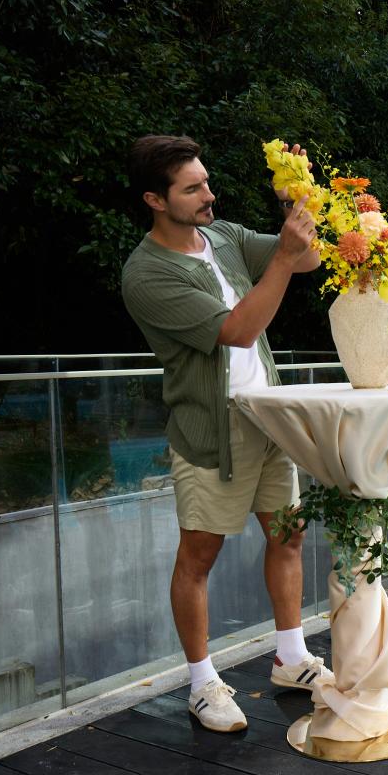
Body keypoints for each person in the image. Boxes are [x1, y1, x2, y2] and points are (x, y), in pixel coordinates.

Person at [121, 135, 331, 733]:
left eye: (206, 182)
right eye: (192, 189)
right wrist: (283, 259)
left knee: (288, 535)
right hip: (211, 430)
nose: (208, 195)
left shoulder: (225, 236)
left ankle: (290, 659)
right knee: (199, 556)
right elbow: (238, 330)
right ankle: (202, 684)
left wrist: (296, 206)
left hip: (268, 417)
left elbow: (309, 259)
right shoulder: (146, 275)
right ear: (155, 200)